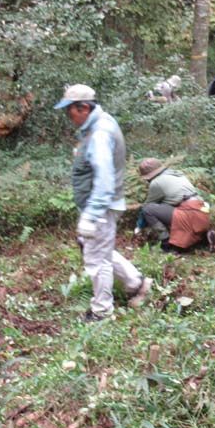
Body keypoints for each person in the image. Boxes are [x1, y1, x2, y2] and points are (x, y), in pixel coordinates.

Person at [55, 84, 153, 321]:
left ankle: (101, 311)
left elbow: (105, 179)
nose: (68, 115)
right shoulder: (98, 125)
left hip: (101, 206)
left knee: (96, 259)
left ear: (84, 107)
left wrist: (91, 215)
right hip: (100, 205)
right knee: (98, 249)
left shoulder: (100, 133)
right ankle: (136, 282)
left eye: (70, 110)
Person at [136, 158, 215, 253]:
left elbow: (146, 206)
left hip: (188, 213)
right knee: (186, 221)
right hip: (202, 212)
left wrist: (138, 227)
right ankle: (204, 237)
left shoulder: (156, 182)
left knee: (148, 209)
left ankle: (165, 243)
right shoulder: (178, 175)